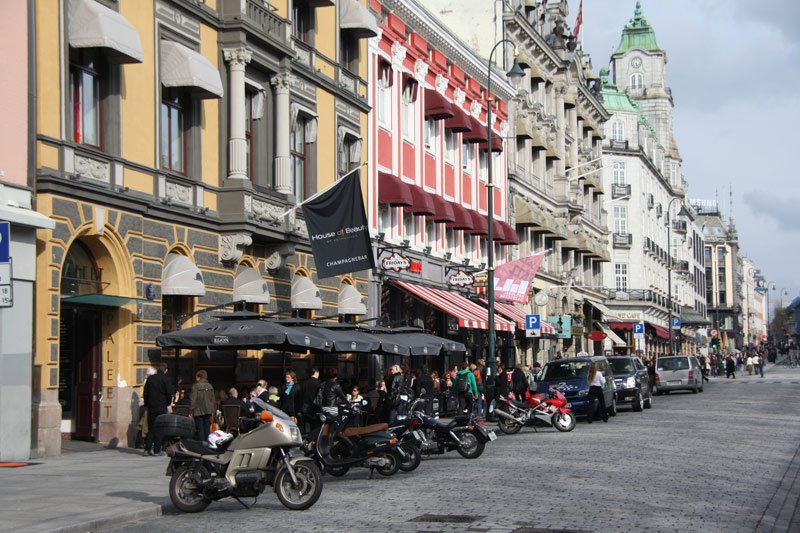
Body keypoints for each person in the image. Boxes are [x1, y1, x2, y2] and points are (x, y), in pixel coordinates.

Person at [142, 363, 174, 456]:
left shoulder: (150, 379)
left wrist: (147, 404)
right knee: (160, 428)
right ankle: (157, 450)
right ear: (166, 370)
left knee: (151, 427)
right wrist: (167, 403)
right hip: (161, 406)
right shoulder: (166, 379)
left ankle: (147, 449)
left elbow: (145, 393)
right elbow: (169, 394)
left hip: (151, 406)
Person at [190, 370, 216, 442]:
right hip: (208, 410)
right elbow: (213, 400)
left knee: (200, 429)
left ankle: (202, 445)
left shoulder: (195, 386)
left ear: (199, 377)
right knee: (207, 429)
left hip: (198, 411)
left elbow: (193, 400)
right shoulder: (210, 386)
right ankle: (207, 445)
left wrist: (191, 410)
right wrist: (213, 411)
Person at [301, 368, 321, 433]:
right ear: (316, 373)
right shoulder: (318, 383)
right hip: (314, 406)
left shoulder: (305, 382)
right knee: (314, 425)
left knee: (305, 423)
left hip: (305, 406)